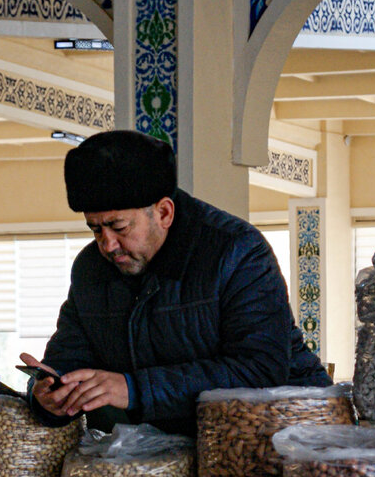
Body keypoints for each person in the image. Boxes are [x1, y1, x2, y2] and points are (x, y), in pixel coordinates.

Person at [21, 129, 331, 436]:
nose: (108, 244)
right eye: (95, 229)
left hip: (288, 436)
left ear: (164, 212)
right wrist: (50, 393)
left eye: (119, 227)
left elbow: (260, 370)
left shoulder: (236, 251)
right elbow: (69, 356)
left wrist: (135, 389)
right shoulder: (91, 270)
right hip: (179, 454)